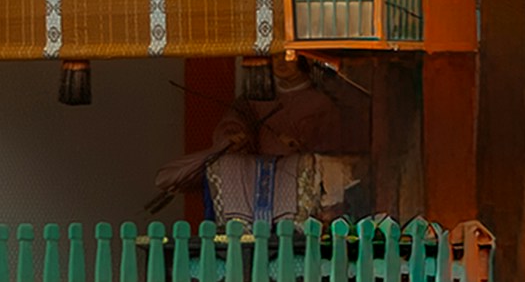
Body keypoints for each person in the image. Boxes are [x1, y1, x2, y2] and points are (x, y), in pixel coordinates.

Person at [149, 57, 374, 224]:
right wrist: (234, 137)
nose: (280, 63)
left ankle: (288, 223)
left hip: (293, 166)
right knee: (228, 164)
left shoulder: (320, 103)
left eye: (287, 57)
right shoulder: (255, 101)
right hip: (254, 166)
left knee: (301, 166)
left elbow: (331, 147)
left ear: (304, 61)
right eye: (274, 57)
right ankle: (238, 225)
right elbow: (234, 121)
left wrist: (300, 144)